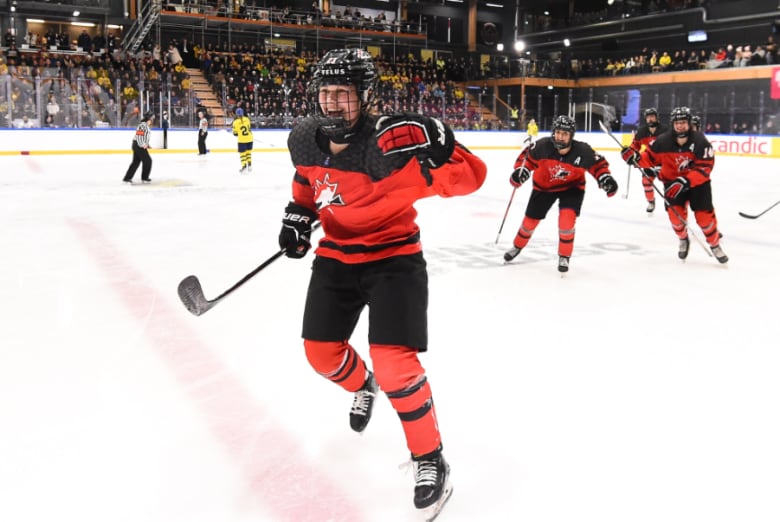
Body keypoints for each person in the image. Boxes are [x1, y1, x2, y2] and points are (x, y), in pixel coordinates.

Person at [277, 48, 486, 518]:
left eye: (343, 95)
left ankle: (430, 458)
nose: (332, 104)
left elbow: (471, 178)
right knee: (320, 354)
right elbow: (308, 184)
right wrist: (297, 215)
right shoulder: (306, 139)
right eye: (325, 93)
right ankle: (361, 384)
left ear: (365, 97)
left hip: (394, 258)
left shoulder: (392, 145)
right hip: (336, 258)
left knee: (396, 365)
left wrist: (442, 142)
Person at [503, 114, 617, 273]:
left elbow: (598, 165)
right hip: (543, 187)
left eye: (564, 134)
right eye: (557, 132)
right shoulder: (542, 146)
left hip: (572, 188)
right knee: (529, 222)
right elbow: (526, 161)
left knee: (566, 221)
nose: (560, 137)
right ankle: (517, 246)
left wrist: (605, 178)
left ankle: (564, 255)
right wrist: (520, 172)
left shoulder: (582, 150)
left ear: (571, 136)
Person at [621, 106, 727, 263]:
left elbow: (705, 167)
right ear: (673, 124)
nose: (680, 126)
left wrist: (687, 180)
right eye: (677, 122)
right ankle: (683, 239)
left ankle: (715, 244)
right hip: (672, 184)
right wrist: (634, 158)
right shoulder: (663, 141)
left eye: (683, 122)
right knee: (676, 219)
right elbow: (648, 158)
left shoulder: (700, 141)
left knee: (705, 218)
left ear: (689, 123)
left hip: (698, 185)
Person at [622, 107, 669, 213]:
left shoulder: (666, 130)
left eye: (652, 116)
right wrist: (630, 153)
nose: (650, 119)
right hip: (650, 162)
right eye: (648, 117)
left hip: (664, 162)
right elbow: (635, 145)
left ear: (657, 118)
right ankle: (651, 201)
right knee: (646, 183)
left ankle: (669, 201)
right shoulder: (642, 131)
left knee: (668, 184)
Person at [122, 112, 154, 184]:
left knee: (135, 162)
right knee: (148, 161)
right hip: (138, 145)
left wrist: (147, 144)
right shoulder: (142, 125)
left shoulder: (145, 125)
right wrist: (143, 145)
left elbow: (143, 136)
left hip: (138, 145)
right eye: (152, 118)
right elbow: (139, 136)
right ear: (149, 118)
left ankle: (127, 178)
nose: (153, 119)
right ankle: (144, 178)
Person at [231, 107, 253, 173]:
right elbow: (249, 128)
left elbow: (235, 133)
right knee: (248, 152)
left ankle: (244, 166)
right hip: (250, 138)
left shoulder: (235, 122)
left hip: (242, 140)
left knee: (242, 154)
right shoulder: (247, 119)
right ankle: (249, 165)